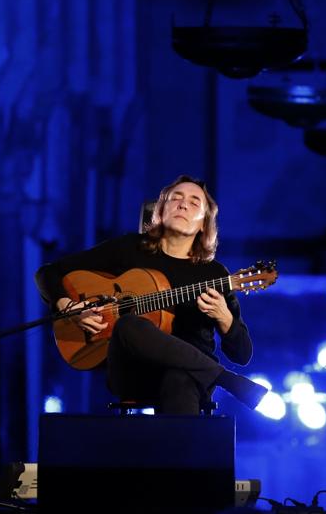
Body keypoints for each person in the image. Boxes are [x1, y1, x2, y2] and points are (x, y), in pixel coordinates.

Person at [35, 174, 266, 415]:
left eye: (194, 202)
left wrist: (224, 318)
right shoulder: (128, 249)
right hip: (133, 372)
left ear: (203, 224)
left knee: (179, 380)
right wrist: (68, 306)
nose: (183, 204)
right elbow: (49, 273)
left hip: (190, 378)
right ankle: (226, 379)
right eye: (175, 198)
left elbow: (242, 353)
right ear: (161, 211)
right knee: (128, 325)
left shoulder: (215, 275)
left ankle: (181, 451)